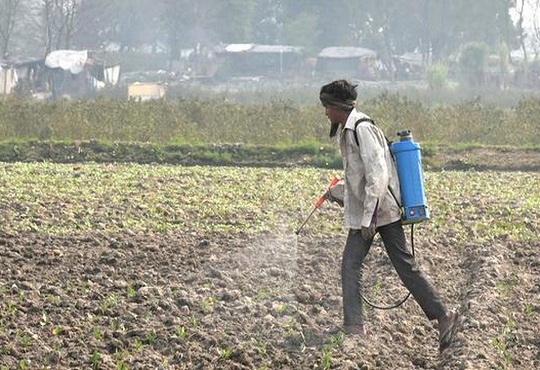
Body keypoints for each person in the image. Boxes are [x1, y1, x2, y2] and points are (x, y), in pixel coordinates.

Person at [319, 79, 458, 351]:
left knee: (378, 265)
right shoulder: (348, 131)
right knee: (360, 264)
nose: (325, 113)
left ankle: (442, 316)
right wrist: (337, 192)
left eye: (327, 107)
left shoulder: (363, 129)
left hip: (381, 212)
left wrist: (368, 217)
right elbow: (360, 179)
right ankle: (355, 326)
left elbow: (378, 175)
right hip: (372, 212)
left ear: (338, 107)